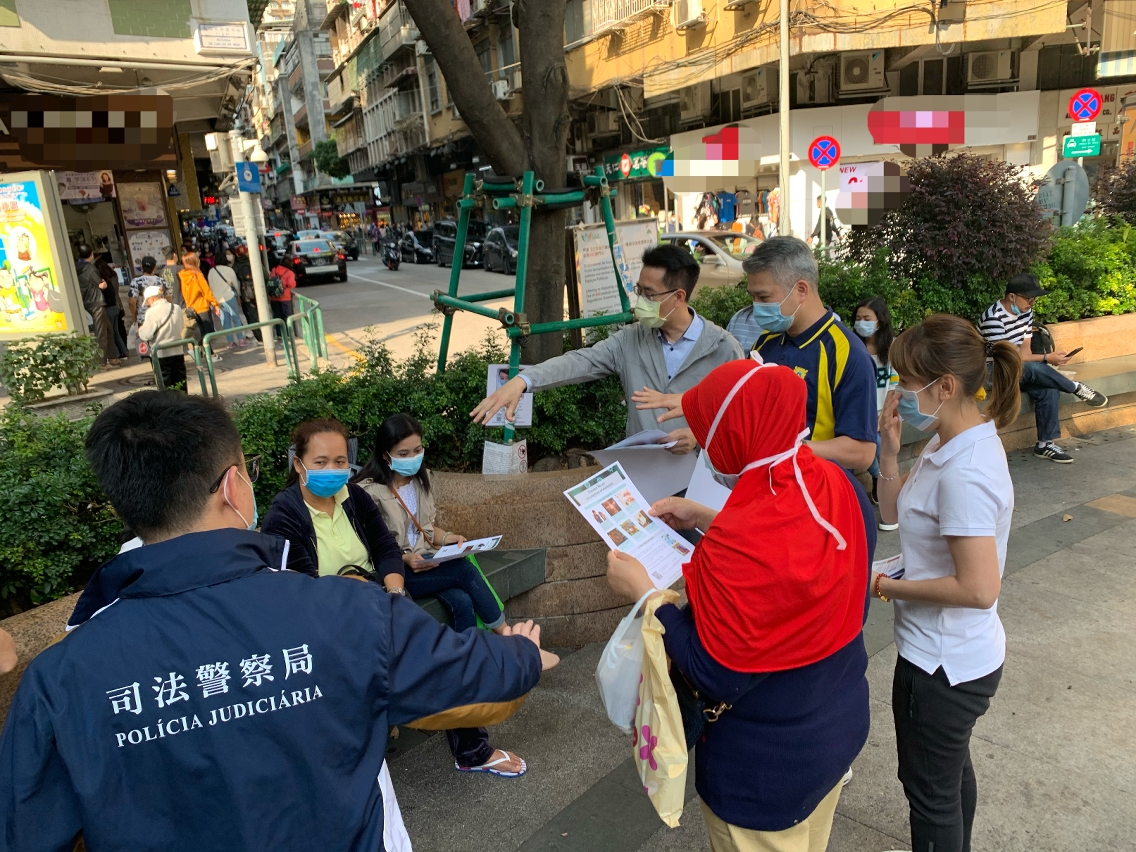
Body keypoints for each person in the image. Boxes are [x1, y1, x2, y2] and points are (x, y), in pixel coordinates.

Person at [0, 391, 555, 851]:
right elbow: (472, 677)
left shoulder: (57, 680)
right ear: (233, 485)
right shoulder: (347, 613)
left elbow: (26, 829)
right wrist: (522, 654)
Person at [606, 360, 875, 852]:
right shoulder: (838, 484)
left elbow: (714, 672)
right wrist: (707, 516)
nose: (708, 452)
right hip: (837, 720)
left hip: (764, 768)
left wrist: (646, 595)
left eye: (709, 438)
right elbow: (793, 552)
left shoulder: (737, 546)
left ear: (735, 435)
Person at [873, 314, 1021, 852]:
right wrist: (890, 452)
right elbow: (894, 515)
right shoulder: (947, 442)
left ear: (946, 386)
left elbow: (979, 589)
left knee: (930, 793)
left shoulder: (966, 470)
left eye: (907, 381)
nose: (898, 393)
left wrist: (885, 585)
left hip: (942, 665)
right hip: (947, 653)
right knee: (949, 775)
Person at [354, 413, 529, 778]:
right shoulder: (369, 491)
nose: (414, 457)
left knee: (462, 600)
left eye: (418, 449)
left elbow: (428, 529)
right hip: (397, 572)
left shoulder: (422, 479)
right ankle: (505, 635)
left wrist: (452, 540)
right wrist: (406, 560)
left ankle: (467, 677)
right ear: (386, 455)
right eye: (404, 452)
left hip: (426, 562)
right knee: (463, 571)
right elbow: (377, 548)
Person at [470, 244, 743, 454]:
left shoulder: (723, 350)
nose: (640, 301)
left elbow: (739, 420)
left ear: (678, 297)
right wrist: (523, 381)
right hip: (642, 475)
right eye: (639, 291)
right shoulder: (631, 340)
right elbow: (580, 361)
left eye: (649, 294)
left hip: (700, 481)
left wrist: (698, 437)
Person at [737, 237, 876, 470]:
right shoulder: (765, 343)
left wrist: (791, 449)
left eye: (763, 298)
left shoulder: (847, 354)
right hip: (762, 480)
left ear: (801, 290)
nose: (756, 306)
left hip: (816, 485)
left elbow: (862, 453)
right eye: (752, 297)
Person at [261, 419, 406, 591]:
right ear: (298, 465)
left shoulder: (356, 496)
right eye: (320, 462)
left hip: (379, 593)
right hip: (332, 603)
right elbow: (305, 587)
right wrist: (355, 584)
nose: (331, 469)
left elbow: (386, 547)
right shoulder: (282, 519)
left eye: (339, 462)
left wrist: (395, 593)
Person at [978, 273, 1107, 464]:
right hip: (993, 370)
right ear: (1012, 296)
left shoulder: (1025, 313)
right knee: (1031, 368)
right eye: (1028, 299)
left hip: (1018, 368)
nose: (1031, 303)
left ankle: (1045, 444)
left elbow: (1025, 353)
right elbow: (1008, 359)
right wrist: (1047, 358)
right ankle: (1075, 387)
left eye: (1034, 299)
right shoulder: (993, 318)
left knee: (1048, 387)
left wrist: (1048, 358)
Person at [852, 296, 899, 519]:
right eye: (858, 318)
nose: (861, 322)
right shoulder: (852, 346)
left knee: (880, 445)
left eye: (867, 318)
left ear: (879, 321)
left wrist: (883, 416)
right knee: (869, 447)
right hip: (859, 413)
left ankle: (885, 490)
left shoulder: (891, 347)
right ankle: (880, 481)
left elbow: (894, 383)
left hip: (883, 412)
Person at [138, 285, 187, 390]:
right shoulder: (176, 308)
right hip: (178, 350)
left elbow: (146, 335)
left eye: (148, 301)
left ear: (151, 298)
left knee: (165, 385)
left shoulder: (152, 312)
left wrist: (140, 330)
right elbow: (181, 326)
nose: (148, 304)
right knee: (180, 383)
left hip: (160, 353)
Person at [76, 244, 116, 367]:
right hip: (96, 302)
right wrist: (104, 283)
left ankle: (112, 357)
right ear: (91, 254)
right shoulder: (90, 268)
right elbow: (101, 285)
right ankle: (102, 362)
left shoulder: (76, 267)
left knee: (108, 329)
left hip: (86, 301)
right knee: (101, 332)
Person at [208, 252, 247, 349]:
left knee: (225, 321)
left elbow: (210, 287)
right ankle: (241, 339)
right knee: (236, 319)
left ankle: (230, 342)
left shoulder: (211, 272)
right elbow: (235, 284)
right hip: (229, 297)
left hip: (218, 300)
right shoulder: (229, 270)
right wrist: (238, 296)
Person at [179, 252, 220, 339]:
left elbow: (184, 293)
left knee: (202, 332)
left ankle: (205, 347)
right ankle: (207, 348)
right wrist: (215, 304)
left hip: (192, 309)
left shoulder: (183, 276)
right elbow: (207, 291)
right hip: (202, 307)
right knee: (209, 333)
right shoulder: (197, 275)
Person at [128, 255, 166, 340]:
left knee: (145, 343)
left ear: (141, 267)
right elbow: (169, 299)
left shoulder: (136, 282)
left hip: (143, 318)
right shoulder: (162, 281)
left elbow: (132, 302)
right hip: (161, 316)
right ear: (155, 267)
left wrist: (134, 315)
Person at [266, 251, 297, 337]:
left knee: (277, 316)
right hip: (285, 298)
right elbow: (291, 284)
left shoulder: (274, 270)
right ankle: (288, 334)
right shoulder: (289, 273)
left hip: (273, 297)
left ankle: (280, 334)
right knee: (287, 316)